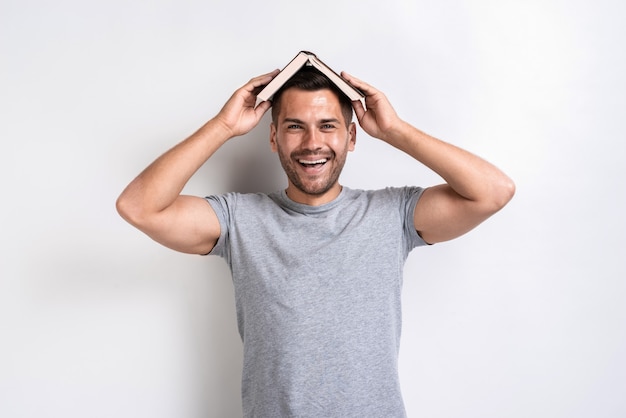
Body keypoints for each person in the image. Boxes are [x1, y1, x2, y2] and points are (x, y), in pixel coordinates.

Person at [116, 64, 515, 417]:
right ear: (273, 137)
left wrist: (395, 130)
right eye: (295, 126)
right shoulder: (239, 219)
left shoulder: (392, 214)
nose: (312, 143)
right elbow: (139, 207)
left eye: (327, 125)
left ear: (352, 136)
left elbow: (494, 191)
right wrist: (223, 126)